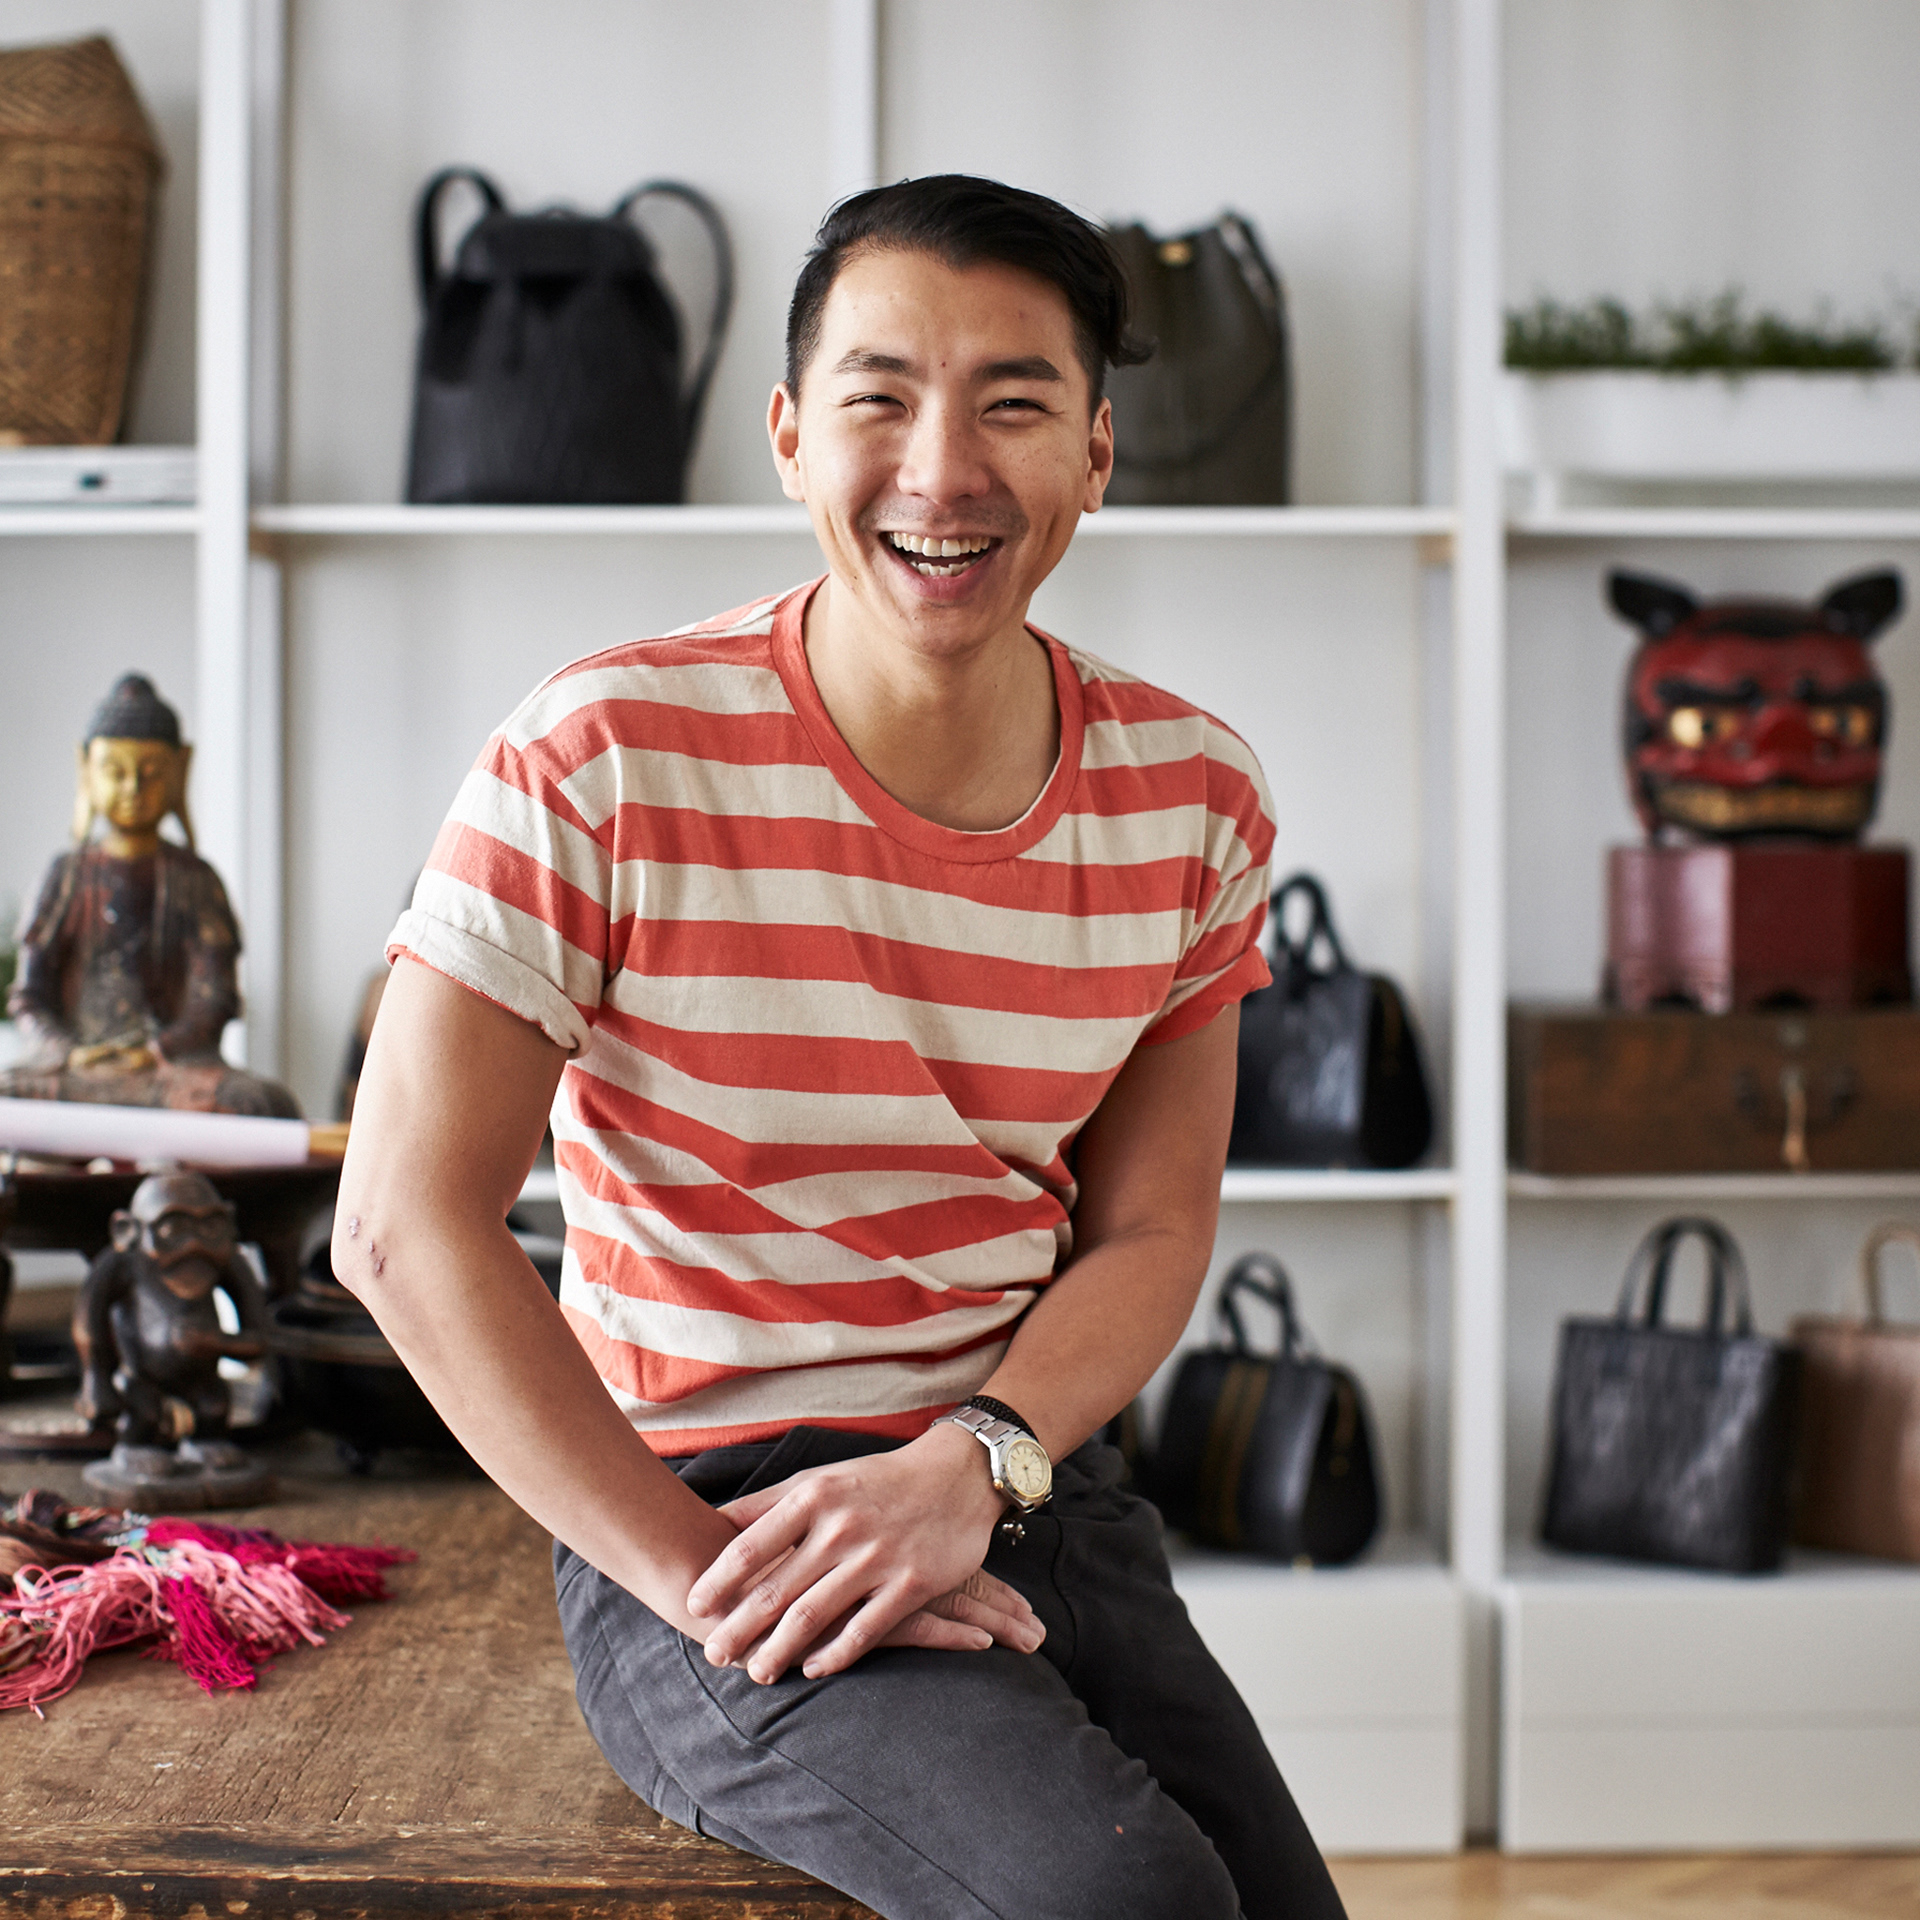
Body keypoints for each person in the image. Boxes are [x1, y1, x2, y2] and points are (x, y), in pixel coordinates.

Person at [335, 175, 1347, 1920]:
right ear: (793, 437)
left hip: (1022, 1468)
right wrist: (700, 1582)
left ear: (1099, 450)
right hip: (710, 1508)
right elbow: (400, 1226)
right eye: (880, 398)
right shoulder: (602, 753)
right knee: (1133, 1906)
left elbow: (1152, 1228)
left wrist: (975, 1465)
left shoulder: (1194, 793)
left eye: (1013, 404)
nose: (941, 473)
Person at [4, 673, 300, 1118]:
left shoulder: (196, 879)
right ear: (86, 769)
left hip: (165, 1071)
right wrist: (68, 1050)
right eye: (115, 772)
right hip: (77, 1071)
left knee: (260, 1103)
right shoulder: (65, 875)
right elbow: (30, 996)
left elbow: (215, 997)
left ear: (180, 770)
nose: (133, 789)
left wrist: (158, 1050)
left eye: (151, 773)